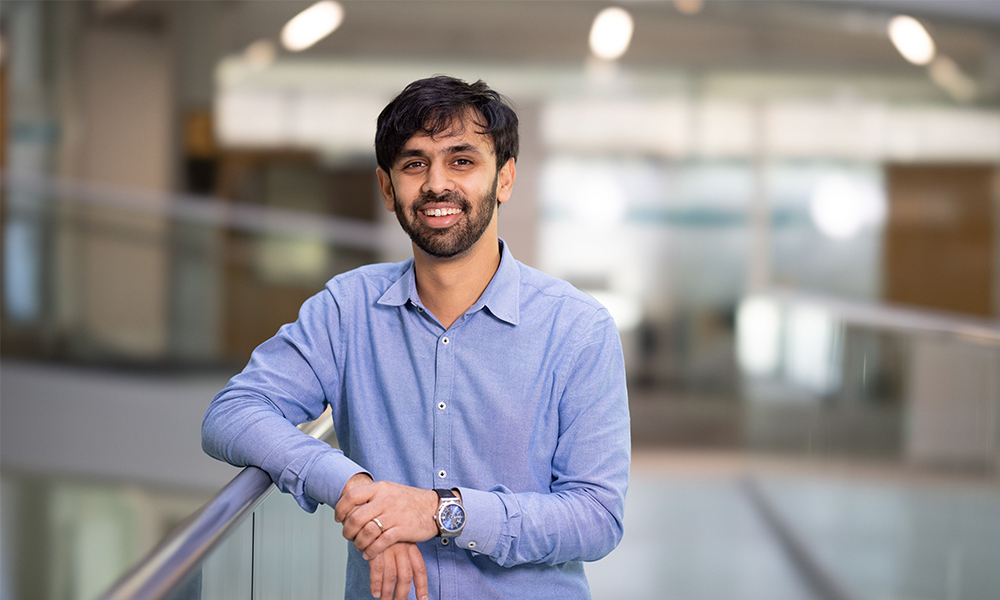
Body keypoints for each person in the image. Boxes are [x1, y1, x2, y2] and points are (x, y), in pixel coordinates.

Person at [202, 75, 630, 600]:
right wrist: (358, 492)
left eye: (463, 161)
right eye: (414, 163)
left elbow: (596, 517)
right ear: (388, 188)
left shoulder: (578, 329)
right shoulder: (348, 309)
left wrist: (439, 511)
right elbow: (234, 411)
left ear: (505, 179)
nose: (436, 184)